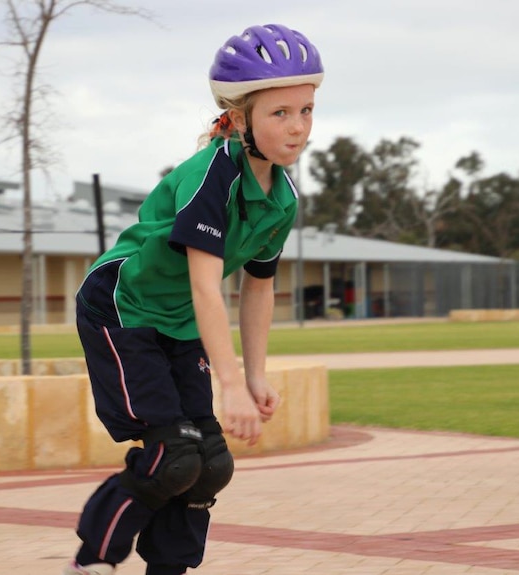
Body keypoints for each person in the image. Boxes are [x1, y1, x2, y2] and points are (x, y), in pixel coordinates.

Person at [65, 23, 323, 575]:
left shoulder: (281, 197)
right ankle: (91, 562)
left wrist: (254, 376)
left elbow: (259, 286)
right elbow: (208, 284)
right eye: (280, 113)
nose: (298, 127)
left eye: (305, 110)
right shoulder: (212, 178)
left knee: (209, 465)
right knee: (173, 455)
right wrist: (227, 384)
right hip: (123, 310)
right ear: (237, 119)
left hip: (180, 321)